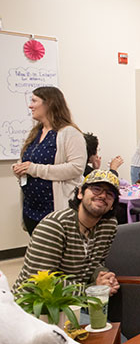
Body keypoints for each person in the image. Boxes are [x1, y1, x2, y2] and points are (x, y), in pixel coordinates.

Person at [12, 169, 120, 296]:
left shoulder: (108, 226)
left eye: (110, 194)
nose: (102, 196)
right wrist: (91, 290)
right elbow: (40, 281)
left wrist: (103, 277)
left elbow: (96, 262)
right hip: (34, 301)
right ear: (80, 193)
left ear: (112, 205)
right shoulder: (54, 226)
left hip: (76, 299)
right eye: (96, 189)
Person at [12, 86, 87, 235]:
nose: (30, 106)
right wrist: (19, 168)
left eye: (34, 101)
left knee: (56, 248)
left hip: (55, 208)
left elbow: (76, 168)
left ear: (49, 103)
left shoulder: (69, 133)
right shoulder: (35, 133)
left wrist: (33, 169)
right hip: (31, 209)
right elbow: (27, 162)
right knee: (38, 248)